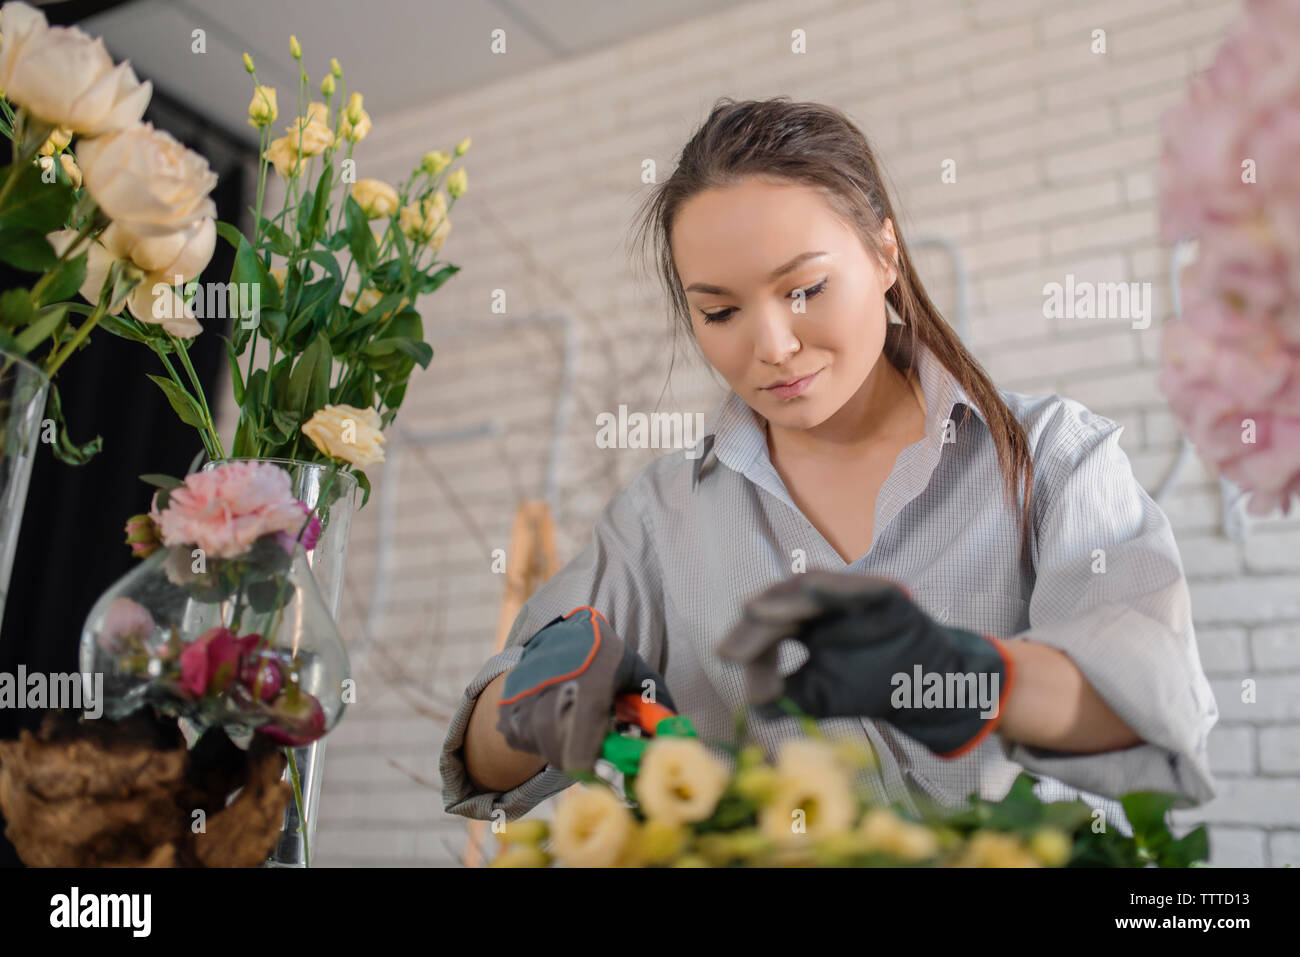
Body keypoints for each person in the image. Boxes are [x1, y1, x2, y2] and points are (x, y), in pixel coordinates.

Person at [439, 96, 1218, 833]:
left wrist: (962, 675)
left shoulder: (1050, 457)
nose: (772, 345)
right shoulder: (661, 515)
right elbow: (478, 762)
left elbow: (1155, 700)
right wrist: (530, 697)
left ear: (886, 252)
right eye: (719, 311)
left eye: (805, 288)